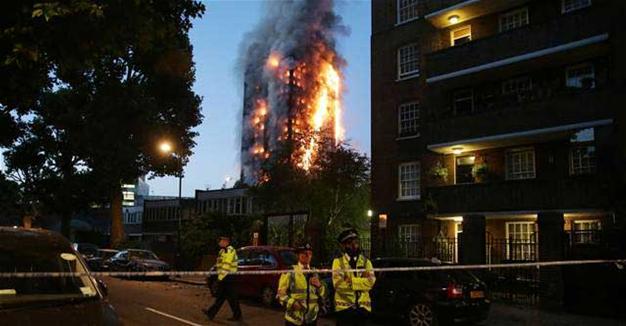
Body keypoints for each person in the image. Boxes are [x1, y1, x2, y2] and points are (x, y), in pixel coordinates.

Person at [332, 228, 376, 326]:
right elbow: (338, 286)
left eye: (356, 242)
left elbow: (371, 282)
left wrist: (351, 281)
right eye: (350, 243)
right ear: (343, 245)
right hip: (344, 311)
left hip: (363, 309)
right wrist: (361, 281)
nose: (354, 246)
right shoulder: (337, 263)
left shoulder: (366, 262)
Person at [277, 243, 326, 326]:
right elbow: (280, 294)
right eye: (304, 253)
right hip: (294, 319)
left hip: (311, 319)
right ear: (298, 255)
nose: (307, 256)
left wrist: (319, 286)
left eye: (309, 253)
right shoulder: (290, 271)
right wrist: (292, 303)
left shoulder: (315, 272)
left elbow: (323, 294)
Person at [204, 235, 242, 322]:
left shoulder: (230, 250)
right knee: (223, 296)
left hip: (229, 276)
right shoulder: (221, 251)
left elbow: (226, 265)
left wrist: (220, 278)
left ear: (226, 242)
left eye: (220, 242)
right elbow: (219, 264)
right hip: (224, 276)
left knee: (228, 297)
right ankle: (211, 313)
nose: (219, 243)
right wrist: (217, 274)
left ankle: (237, 315)